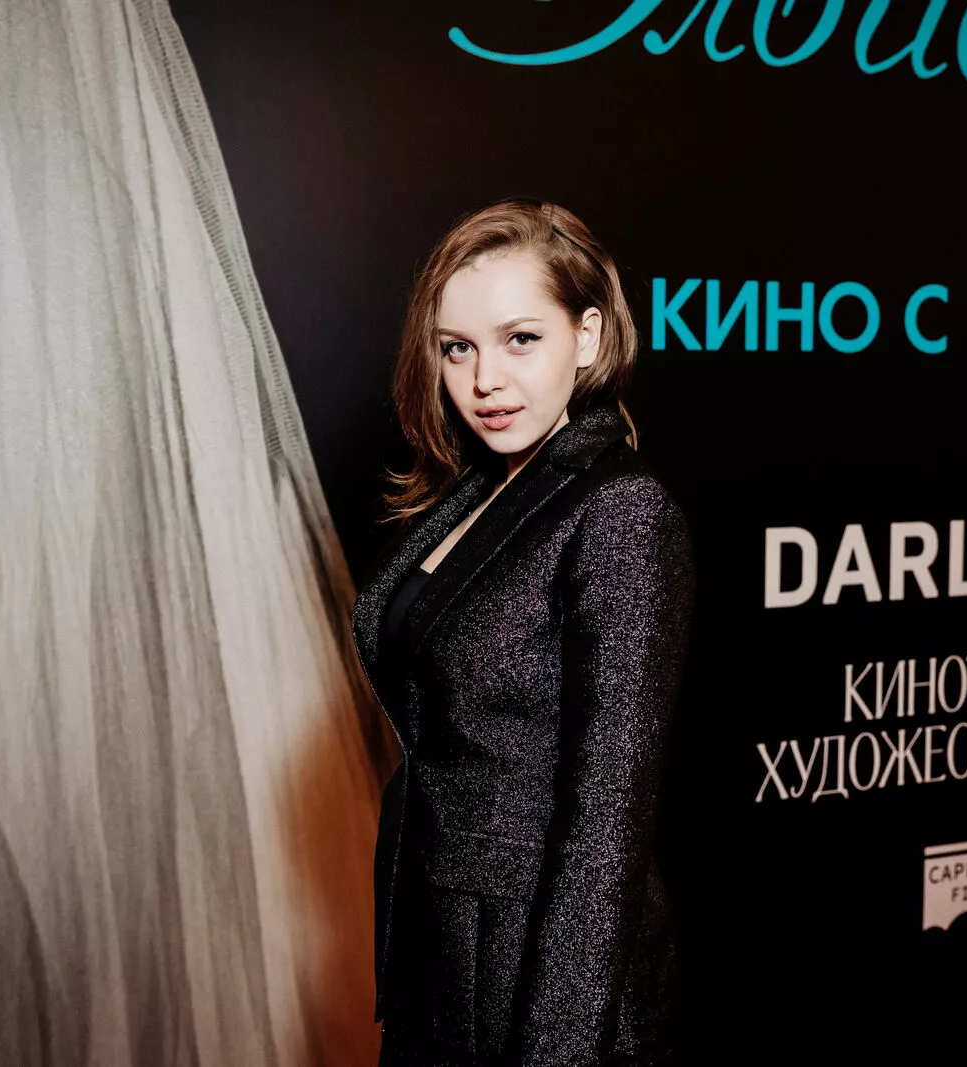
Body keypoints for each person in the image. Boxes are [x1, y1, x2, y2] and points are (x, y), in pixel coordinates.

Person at [350, 198, 696, 1067]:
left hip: (536, 980)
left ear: (587, 334)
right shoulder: (480, 490)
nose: (484, 381)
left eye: (520, 339)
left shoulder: (619, 510)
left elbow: (606, 826)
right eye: (456, 348)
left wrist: (558, 1048)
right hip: (437, 959)